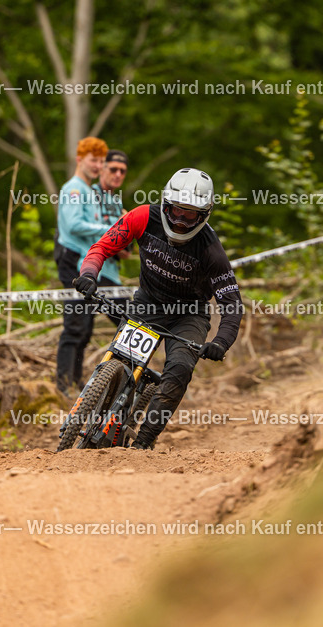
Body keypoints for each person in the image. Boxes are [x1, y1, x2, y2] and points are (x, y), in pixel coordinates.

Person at [72, 168, 244, 450]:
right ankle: (97, 407)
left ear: (204, 214)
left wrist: (220, 343)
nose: (179, 221)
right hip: (148, 302)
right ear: (165, 203)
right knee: (122, 359)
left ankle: (143, 442)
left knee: (179, 368)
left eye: (190, 214)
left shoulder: (211, 250)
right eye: (176, 210)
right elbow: (101, 247)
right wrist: (90, 275)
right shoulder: (142, 216)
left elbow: (232, 305)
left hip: (189, 314)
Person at [54, 138, 127, 396]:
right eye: (93, 160)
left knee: (84, 327)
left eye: (100, 161)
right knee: (76, 326)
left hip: (88, 264)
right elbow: (74, 225)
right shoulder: (74, 189)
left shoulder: (90, 192)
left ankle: (76, 385)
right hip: (73, 262)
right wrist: (111, 229)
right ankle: (64, 387)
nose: (97, 166)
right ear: (79, 160)